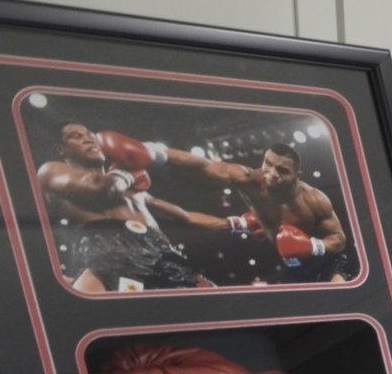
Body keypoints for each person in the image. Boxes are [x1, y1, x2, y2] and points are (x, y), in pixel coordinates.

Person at [37, 123, 241, 292]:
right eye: (76, 136)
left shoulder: (127, 184)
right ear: (60, 148)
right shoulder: (52, 170)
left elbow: (186, 217)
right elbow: (99, 187)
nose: (89, 139)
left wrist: (239, 223)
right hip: (112, 253)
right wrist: (128, 171)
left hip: (164, 254)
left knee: (212, 305)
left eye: (91, 135)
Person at [155, 140, 353, 282]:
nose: (272, 174)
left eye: (283, 171)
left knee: (341, 297)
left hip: (325, 261)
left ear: (296, 175)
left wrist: (311, 246)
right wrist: (157, 153)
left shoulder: (313, 199)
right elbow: (205, 167)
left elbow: (339, 239)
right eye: (269, 164)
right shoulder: (250, 181)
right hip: (288, 265)